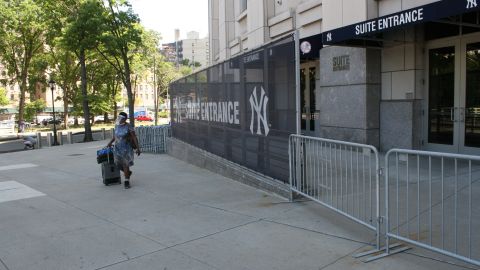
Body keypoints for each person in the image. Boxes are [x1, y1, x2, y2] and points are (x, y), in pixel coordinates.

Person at [107, 112, 141, 189]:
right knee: (117, 164)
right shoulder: (117, 126)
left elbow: (134, 137)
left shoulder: (128, 126)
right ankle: (128, 173)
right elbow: (115, 136)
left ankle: (126, 181)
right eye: (119, 117)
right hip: (117, 148)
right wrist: (109, 143)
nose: (119, 119)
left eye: (121, 118)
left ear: (125, 119)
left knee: (125, 164)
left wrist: (138, 148)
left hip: (126, 149)